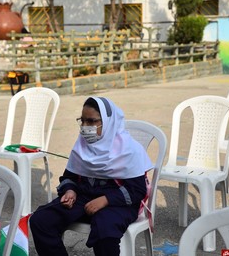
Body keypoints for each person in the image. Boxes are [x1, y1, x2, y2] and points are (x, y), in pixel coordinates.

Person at [29, 96, 152, 256]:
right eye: (83, 121)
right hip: (84, 197)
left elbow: (137, 190)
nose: (85, 127)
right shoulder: (82, 145)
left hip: (118, 203)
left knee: (105, 229)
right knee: (41, 220)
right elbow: (69, 177)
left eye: (92, 121)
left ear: (108, 122)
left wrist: (105, 200)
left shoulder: (129, 150)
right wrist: (70, 190)